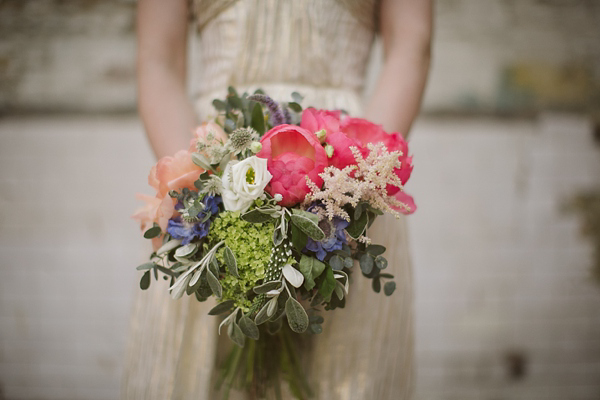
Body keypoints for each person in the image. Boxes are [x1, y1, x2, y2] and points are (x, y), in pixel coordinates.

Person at [124, 0, 432, 399]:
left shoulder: (352, 184)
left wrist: (359, 184)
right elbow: (158, 60)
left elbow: (412, 45)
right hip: (213, 157)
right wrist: (204, 188)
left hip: (346, 172)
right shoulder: (208, 180)